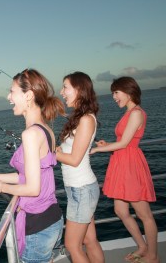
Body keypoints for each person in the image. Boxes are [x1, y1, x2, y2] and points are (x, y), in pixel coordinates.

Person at [0, 69, 65, 263]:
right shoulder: (46, 129)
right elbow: (25, 176)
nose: (8, 97)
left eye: (12, 91)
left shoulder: (30, 135)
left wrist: (2, 188)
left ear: (29, 95)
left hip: (37, 227)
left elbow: (32, 188)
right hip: (52, 219)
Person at [90, 76, 159, 263]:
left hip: (130, 166)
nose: (114, 96)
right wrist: (108, 144)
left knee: (144, 214)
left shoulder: (136, 113)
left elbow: (125, 143)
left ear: (128, 92)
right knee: (121, 211)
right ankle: (142, 247)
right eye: (113, 93)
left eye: (116, 92)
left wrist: (97, 148)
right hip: (122, 162)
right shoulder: (129, 112)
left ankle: (152, 255)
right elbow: (123, 142)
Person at [56, 72, 104, 263]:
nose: (62, 92)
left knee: (72, 246)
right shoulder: (80, 117)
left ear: (79, 90)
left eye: (65, 87)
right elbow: (74, 151)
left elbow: (75, 159)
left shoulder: (86, 120)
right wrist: (60, 150)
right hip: (79, 188)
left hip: (81, 189)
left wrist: (51, 153)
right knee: (89, 240)